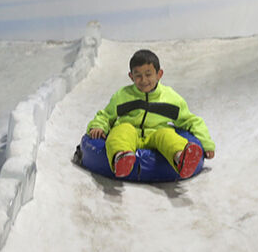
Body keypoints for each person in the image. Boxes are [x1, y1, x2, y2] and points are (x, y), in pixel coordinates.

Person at [86, 48, 215, 179]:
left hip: (156, 133)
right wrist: (98, 126)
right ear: (131, 76)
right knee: (121, 132)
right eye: (138, 75)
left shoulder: (171, 98)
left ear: (159, 74)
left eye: (148, 75)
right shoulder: (123, 95)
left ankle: (181, 158)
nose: (143, 80)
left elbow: (190, 121)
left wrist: (206, 144)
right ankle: (122, 158)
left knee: (167, 135)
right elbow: (106, 115)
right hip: (130, 133)